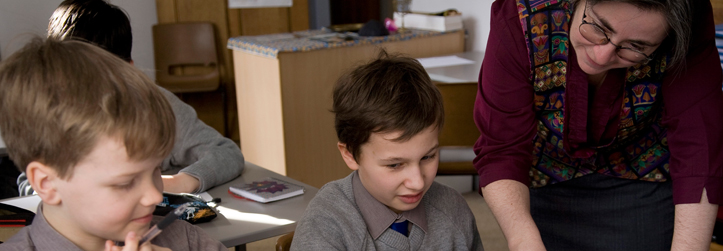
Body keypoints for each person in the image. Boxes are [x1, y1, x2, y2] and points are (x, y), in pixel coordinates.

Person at [474, 0, 723, 250]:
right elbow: (502, 147)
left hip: (644, 180)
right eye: (598, 27)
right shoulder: (521, 13)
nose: (601, 56)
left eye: (635, 46)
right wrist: (522, 240)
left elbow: (699, 147)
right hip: (540, 179)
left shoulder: (689, 18)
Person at [0, 38, 227, 251]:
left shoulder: (185, 239)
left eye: (156, 169)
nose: (155, 197)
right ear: (47, 183)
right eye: (126, 183)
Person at [14, 0, 244, 196]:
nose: (87, 92)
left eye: (99, 78)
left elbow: (226, 153)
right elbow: (28, 181)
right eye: (73, 77)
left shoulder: (157, 105)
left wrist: (179, 182)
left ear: (129, 70)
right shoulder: (50, 113)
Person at [290, 51, 484, 250]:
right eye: (395, 164)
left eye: (428, 156)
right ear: (350, 154)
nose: (417, 182)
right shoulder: (325, 226)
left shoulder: (454, 210)